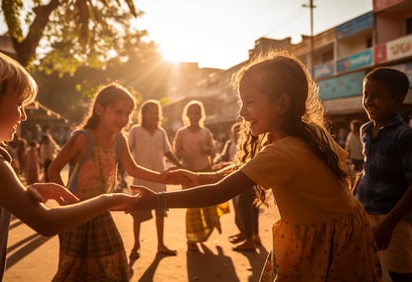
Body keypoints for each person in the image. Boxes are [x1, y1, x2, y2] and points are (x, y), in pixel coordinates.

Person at [130, 51, 382, 281]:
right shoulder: (309, 131)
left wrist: (157, 200)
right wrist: (202, 177)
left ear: (281, 103)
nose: (241, 112)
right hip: (343, 230)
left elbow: (221, 192)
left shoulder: (285, 151)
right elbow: (248, 168)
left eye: (249, 102)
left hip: (323, 242)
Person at [0, 46, 139, 282]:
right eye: (19, 105)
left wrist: (25, 193)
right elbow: (46, 223)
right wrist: (108, 200)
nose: (23, 116)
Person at [47, 83, 188, 281]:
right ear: (99, 110)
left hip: (102, 209)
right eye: (118, 112)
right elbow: (53, 169)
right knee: (73, 267)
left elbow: (133, 169)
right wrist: (65, 202)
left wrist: (162, 177)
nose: (123, 119)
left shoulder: (119, 140)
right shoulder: (82, 138)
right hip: (77, 212)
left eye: (128, 113)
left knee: (115, 258)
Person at [355, 67, 412, 282]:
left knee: (399, 272)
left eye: (376, 96)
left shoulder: (405, 136)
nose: (368, 101)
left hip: (392, 218)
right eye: (365, 94)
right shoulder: (365, 130)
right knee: (368, 267)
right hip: (364, 212)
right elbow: (367, 168)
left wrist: (389, 224)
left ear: (398, 100)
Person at [127, 99, 182, 260]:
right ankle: (136, 245)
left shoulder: (161, 132)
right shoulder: (135, 131)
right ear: (143, 115)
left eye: (157, 113)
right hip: (140, 179)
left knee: (160, 212)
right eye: (151, 113)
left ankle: (161, 244)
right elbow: (127, 150)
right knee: (137, 213)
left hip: (160, 179)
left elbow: (167, 152)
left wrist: (179, 165)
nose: (155, 116)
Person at [173, 100, 227, 252]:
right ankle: (191, 240)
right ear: (187, 114)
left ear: (201, 114)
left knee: (207, 204)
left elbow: (213, 152)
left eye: (197, 112)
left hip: (205, 170)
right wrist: (184, 154)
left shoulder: (206, 132)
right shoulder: (182, 132)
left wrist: (206, 149)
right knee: (192, 207)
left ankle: (205, 234)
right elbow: (175, 152)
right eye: (191, 112)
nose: (194, 115)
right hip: (188, 174)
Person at [215, 122, 261, 252]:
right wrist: (220, 162)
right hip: (235, 179)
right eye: (234, 133)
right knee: (241, 208)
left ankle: (251, 238)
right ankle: (247, 234)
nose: (236, 135)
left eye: (238, 132)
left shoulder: (249, 144)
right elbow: (226, 157)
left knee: (248, 208)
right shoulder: (230, 144)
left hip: (246, 180)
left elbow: (244, 163)